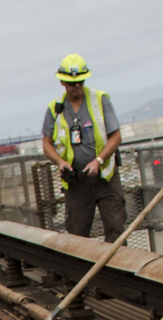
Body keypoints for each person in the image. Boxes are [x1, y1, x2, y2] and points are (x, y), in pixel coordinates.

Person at [41, 53, 127, 241]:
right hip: (77, 182)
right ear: (63, 82)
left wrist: (99, 160)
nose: (77, 86)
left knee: (116, 229)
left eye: (80, 82)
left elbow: (116, 136)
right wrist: (60, 161)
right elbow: (47, 144)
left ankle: (116, 270)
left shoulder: (99, 100)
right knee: (77, 235)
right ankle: (82, 270)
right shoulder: (55, 108)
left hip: (105, 178)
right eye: (72, 83)